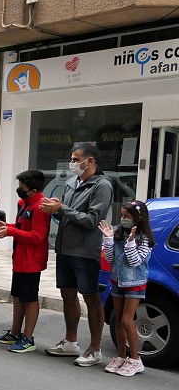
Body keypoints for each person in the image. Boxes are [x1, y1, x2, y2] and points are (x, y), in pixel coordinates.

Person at [40, 142, 113, 366]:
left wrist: (62, 209)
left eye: (75, 159)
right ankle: (70, 342)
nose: (72, 163)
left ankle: (95, 348)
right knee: (67, 295)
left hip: (85, 251)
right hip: (64, 249)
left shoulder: (102, 186)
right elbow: (66, 213)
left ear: (89, 161)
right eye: (72, 159)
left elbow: (92, 220)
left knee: (90, 297)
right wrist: (56, 208)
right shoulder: (72, 182)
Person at [0, 169, 50, 353]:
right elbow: (20, 226)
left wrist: (11, 232)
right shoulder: (23, 203)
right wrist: (5, 226)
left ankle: (28, 337)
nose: (19, 190)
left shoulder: (41, 207)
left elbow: (37, 236)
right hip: (19, 258)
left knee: (29, 298)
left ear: (33, 190)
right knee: (17, 296)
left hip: (32, 260)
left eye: (22, 188)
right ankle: (15, 332)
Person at [99, 201, 154, 376]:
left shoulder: (144, 239)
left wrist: (130, 243)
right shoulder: (117, 233)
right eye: (122, 216)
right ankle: (121, 357)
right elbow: (109, 258)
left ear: (138, 218)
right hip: (117, 281)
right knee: (118, 321)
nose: (123, 219)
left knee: (126, 320)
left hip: (135, 283)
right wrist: (108, 239)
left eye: (127, 217)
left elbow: (135, 261)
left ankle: (136, 360)